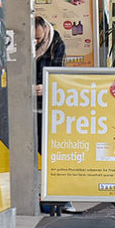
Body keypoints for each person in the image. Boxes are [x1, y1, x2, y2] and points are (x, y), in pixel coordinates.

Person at [34, 15, 76, 213]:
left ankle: (58, 197)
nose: (36, 42)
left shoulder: (56, 42)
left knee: (49, 149)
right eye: (33, 39)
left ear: (45, 31)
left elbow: (59, 75)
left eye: (39, 38)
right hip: (24, 105)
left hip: (48, 105)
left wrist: (47, 86)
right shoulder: (20, 42)